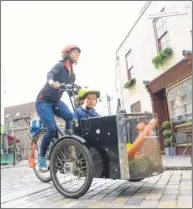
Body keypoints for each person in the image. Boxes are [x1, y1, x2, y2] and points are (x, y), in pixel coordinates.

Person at [36, 44, 81, 172]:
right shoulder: (60, 66)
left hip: (56, 101)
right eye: (75, 52)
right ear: (68, 53)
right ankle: (41, 157)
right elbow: (50, 74)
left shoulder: (71, 74)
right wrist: (51, 82)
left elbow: (70, 89)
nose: (77, 54)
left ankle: (66, 140)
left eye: (78, 53)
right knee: (51, 128)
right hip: (43, 101)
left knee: (70, 117)